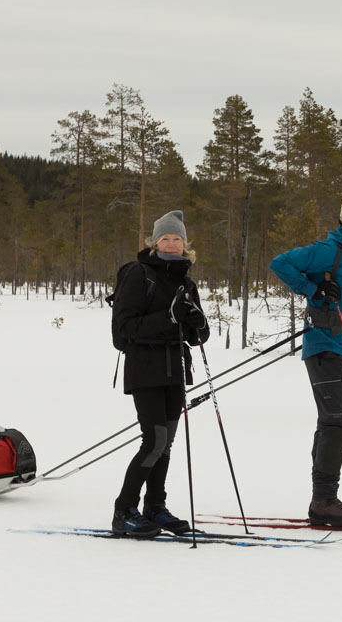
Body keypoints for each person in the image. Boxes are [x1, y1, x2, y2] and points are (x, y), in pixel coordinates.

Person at [269, 192, 342, 528]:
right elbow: (280, 262)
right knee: (339, 420)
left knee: (331, 422)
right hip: (324, 345)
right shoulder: (327, 250)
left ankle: (323, 499)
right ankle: (323, 502)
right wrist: (314, 289)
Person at [110, 210, 209, 537]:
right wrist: (170, 318)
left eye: (177, 238)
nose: (171, 243)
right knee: (154, 441)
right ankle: (124, 510)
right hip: (145, 368)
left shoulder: (185, 279)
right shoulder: (139, 274)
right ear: (154, 242)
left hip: (175, 370)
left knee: (165, 444)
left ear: (185, 244)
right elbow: (125, 327)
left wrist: (197, 322)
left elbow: (198, 336)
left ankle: (155, 506)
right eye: (165, 238)